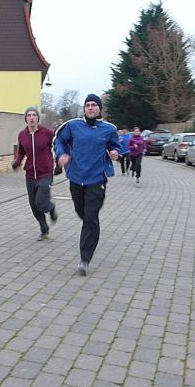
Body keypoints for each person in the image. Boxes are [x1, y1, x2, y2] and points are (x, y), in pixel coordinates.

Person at [53, 94, 122, 276]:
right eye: (87, 105)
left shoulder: (108, 129)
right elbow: (58, 139)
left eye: (93, 105)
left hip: (97, 179)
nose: (90, 108)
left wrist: (115, 152)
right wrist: (60, 154)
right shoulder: (73, 125)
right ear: (84, 108)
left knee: (90, 217)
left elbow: (116, 146)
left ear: (99, 108)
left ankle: (85, 259)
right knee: (82, 213)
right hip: (76, 178)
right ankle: (91, 229)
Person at [12, 106, 58, 241]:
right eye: (29, 115)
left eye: (34, 115)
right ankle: (44, 229)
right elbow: (21, 152)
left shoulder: (47, 133)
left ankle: (51, 208)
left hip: (45, 173)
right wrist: (17, 161)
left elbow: (58, 147)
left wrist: (59, 164)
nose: (31, 118)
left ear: (38, 118)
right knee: (34, 207)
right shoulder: (22, 135)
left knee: (40, 202)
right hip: (30, 174)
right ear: (26, 119)